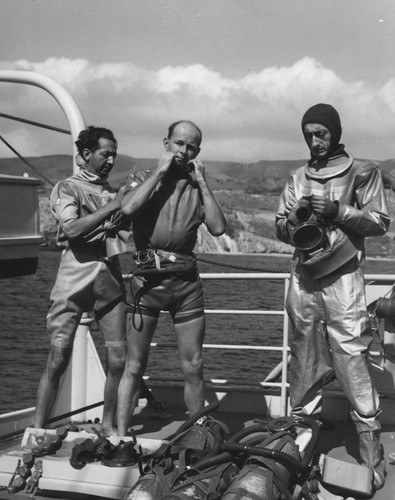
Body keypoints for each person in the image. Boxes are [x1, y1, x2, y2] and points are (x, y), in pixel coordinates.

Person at [275, 103, 390, 490]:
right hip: (304, 276)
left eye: (321, 133)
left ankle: (372, 456)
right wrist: (293, 217)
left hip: (343, 277)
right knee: (303, 353)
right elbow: (279, 227)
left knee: (350, 354)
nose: (315, 141)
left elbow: (379, 223)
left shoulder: (364, 171)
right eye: (308, 134)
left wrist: (339, 210)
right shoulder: (296, 177)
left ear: (335, 132)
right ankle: (300, 442)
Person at [117, 120, 226, 435]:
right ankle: (121, 436)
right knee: (134, 365)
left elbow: (218, 228)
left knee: (193, 365)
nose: (184, 151)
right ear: (166, 143)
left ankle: (197, 432)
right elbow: (128, 208)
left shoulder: (195, 185)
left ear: (198, 151)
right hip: (146, 285)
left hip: (186, 286)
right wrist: (160, 173)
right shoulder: (141, 178)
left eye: (191, 146)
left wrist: (203, 182)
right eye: (179, 143)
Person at [34, 126, 130, 436]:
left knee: (118, 358)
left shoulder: (112, 192)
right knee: (58, 356)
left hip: (110, 280)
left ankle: (107, 425)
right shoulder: (67, 188)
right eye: (106, 154)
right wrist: (113, 206)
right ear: (87, 155)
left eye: (114, 154)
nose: (111, 160)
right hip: (75, 278)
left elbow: (129, 231)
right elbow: (72, 230)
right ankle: (38, 429)